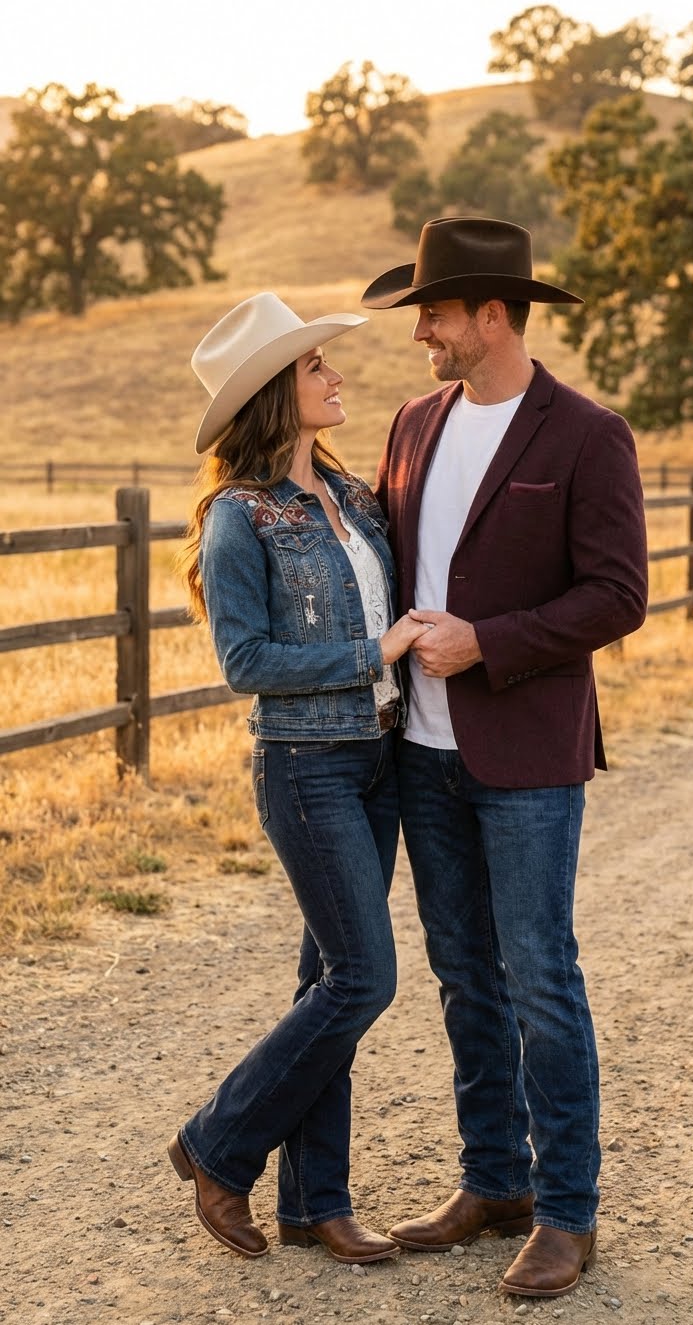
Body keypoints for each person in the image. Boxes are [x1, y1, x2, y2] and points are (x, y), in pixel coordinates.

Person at [361, 217, 648, 1299]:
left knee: (539, 975)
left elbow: (617, 595)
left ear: (492, 314)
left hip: (527, 752)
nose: (420, 334)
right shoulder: (412, 422)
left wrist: (488, 642)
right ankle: (494, 1182)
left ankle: (568, 1211)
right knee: (462, 975)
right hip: (422, 753)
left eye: (433, 313)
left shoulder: (587, 435)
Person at [168, 291, 427, 1265]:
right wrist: (373, 653)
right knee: (364, 978)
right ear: (278, 391)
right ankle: (217, 1143)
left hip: (379, 759)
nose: (336, 375)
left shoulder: (356, 498)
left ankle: (317, 1201)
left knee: (327, 980)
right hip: (306, 765)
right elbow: (246, 661)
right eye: (316, 366)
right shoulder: (240, 518)